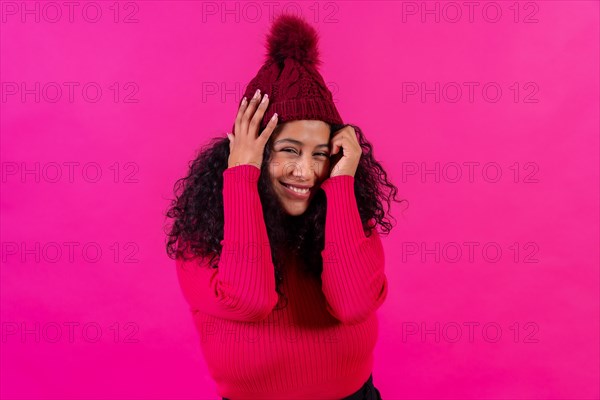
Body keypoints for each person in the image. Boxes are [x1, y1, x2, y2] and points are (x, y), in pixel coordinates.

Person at [165, 13, 405, 400]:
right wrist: (241, 175)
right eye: (289, 150)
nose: (306, 170)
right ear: (252, 149)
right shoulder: (202, 236)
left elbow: (353, 304)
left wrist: (342, 182)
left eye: (321, 154)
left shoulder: (350, 222)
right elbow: (249, 300)